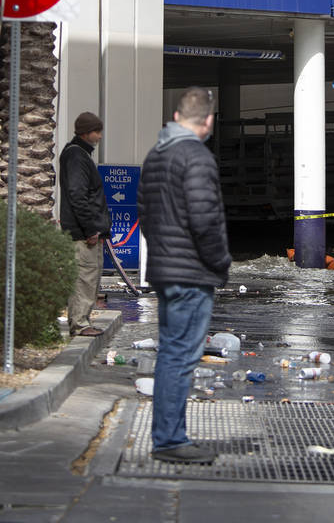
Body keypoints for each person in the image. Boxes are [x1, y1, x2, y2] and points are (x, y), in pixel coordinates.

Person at [137, 87, 231, 464]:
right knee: (180, 355)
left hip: (164, 268)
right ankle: (170, 441)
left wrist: (163, 251)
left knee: (169, 353)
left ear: (176, 116)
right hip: (192, 272)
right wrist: (220, 262)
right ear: (208, 121)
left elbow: (145, 214)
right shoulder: (197, 157)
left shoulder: (156, 155)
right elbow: (205, 219)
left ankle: (167, 437)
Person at [59, 111, 111, 337]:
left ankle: (82, 321)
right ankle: (80, 324)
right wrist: (90, 229)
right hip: (83, 233)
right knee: (85, 277)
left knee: (89, 277)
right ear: (86, 133)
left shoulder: (77, 154)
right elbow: (78, 195)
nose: (99, 136)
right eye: (97, 132)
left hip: (85, 230)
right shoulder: (77, 156)